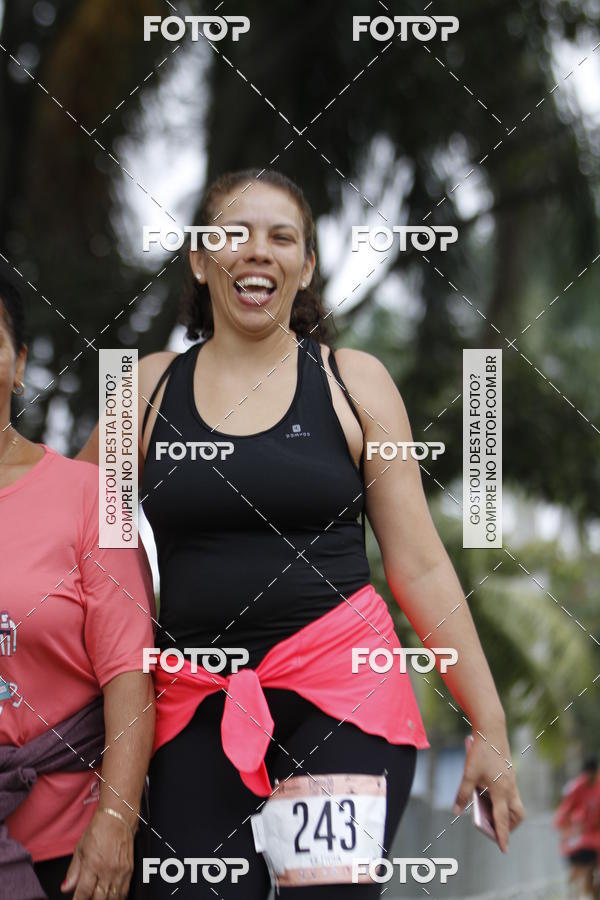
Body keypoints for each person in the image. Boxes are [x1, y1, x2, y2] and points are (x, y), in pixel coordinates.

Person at [78, 168, 525, 897]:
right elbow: (81, 556)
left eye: (281, 237)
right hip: (194, 700)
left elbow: (419, 566)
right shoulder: (143, 390)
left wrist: (491, 726)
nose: (258, 252)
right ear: (199, 258)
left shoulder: (354, 383)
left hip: (342, 698)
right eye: (234, 234)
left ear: (306, 265)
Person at [0, 273, 156, 900]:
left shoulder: (92, 494)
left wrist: (116, 821)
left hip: (67, 850)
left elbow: (129, 674)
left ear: (19, 365)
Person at [555, 757, 600, 899]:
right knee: (584, 869)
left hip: (594, 836)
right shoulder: (577, 788)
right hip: (585, 838)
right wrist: (569, 829)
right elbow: (564, 814)